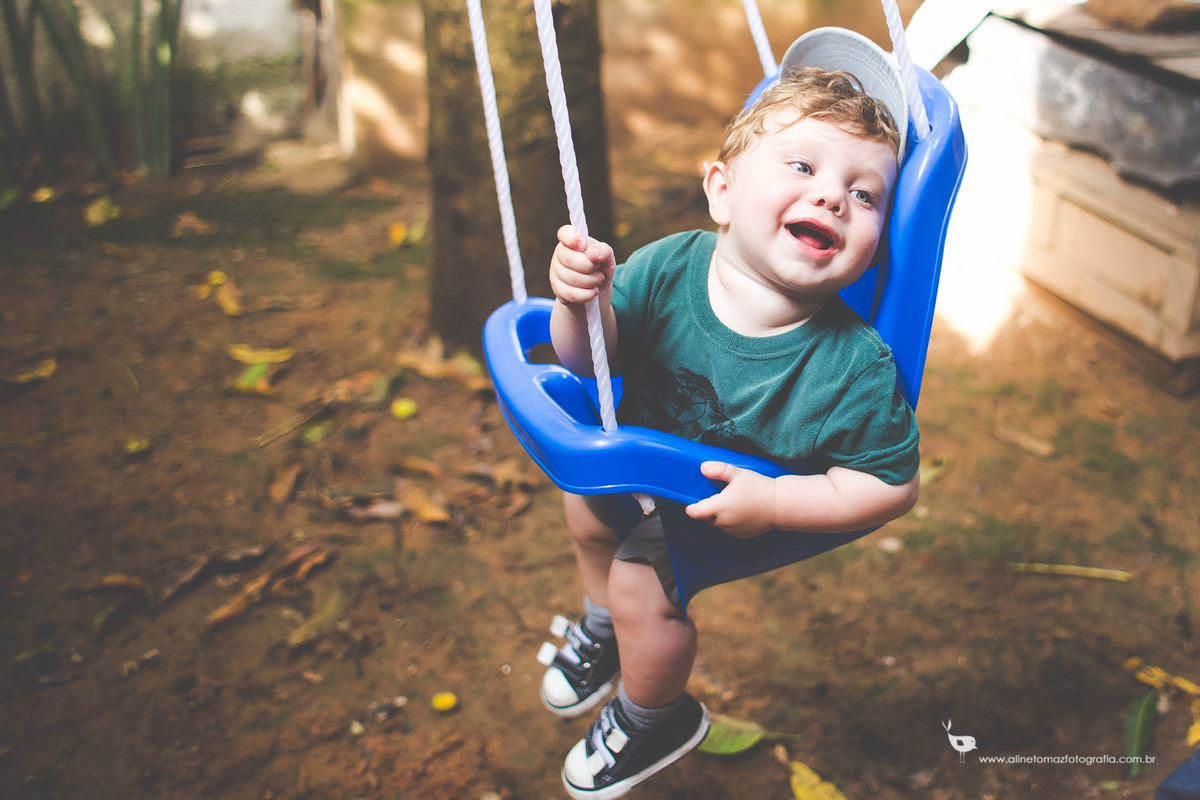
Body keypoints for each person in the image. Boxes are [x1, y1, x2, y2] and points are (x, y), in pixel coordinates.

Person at [539, 27, 921, 800]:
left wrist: (777, 499)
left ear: (877, 244)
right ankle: (601, 627)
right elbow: (586, 361)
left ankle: (655, 715)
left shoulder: (851, 366)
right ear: (721, 189)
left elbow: (891, 484)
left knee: (642, 584)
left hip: (732, 500)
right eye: (804, 167)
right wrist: (580, 303)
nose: (831, 197)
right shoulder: (666, 264)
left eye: (864, 194)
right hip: (642, 458)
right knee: (585, 511)